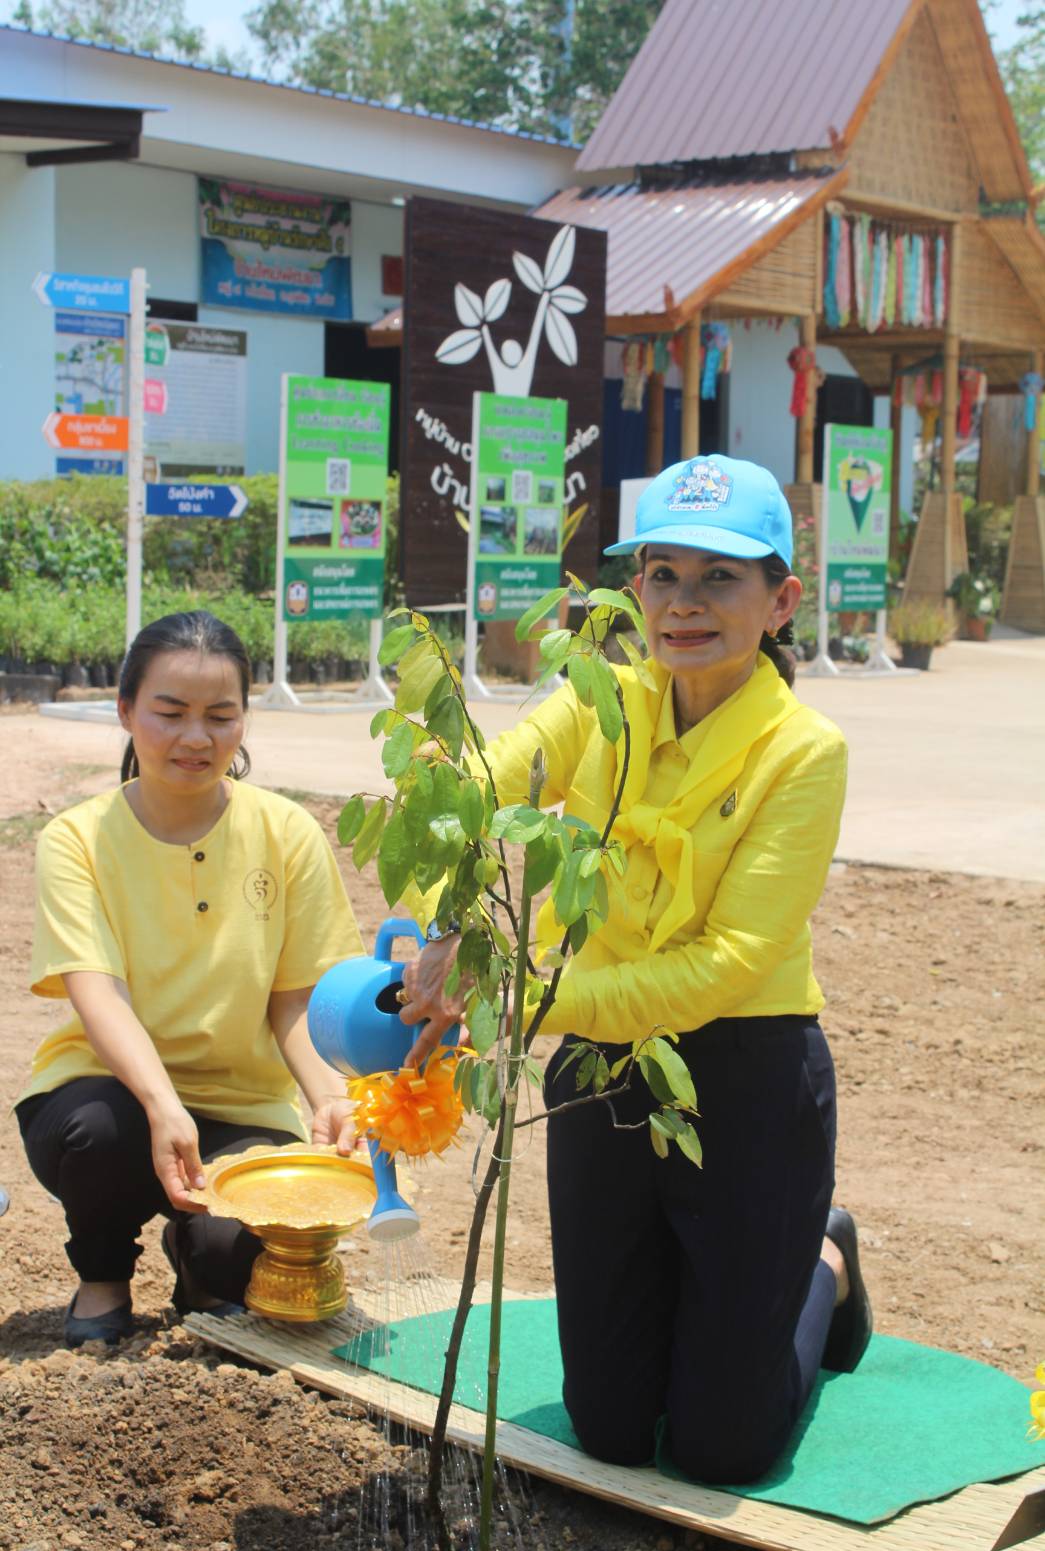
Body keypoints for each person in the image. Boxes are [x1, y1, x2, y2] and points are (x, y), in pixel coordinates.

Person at [399, 454, 873, 1484]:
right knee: (609, 1423)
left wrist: (525, 999)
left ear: (780, 600)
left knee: (721, 1447)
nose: (684, 604)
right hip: (599, 1069)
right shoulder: (594, 700)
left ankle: (824, 1265)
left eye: (720, 578)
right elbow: (482, 791)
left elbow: (726, 965)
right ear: (630, 591)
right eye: (662, 574)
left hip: (746, 1072)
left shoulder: (804, 749)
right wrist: (448, 921)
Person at [15, 611, 364, 1348]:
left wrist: (330, 1095)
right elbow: (96, 990)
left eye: (220, 716)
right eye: (169, 713)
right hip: (111, 1090)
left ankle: (197, 1258)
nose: (195, 738)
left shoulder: (287, 831)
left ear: (245, 719)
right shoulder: (76, 838)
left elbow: (293, 999)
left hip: (244, 1105)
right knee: (101, 1136)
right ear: (125, 710)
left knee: (235, 1258)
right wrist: (162, 1104)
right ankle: (103, 1273)